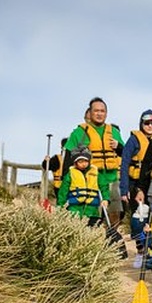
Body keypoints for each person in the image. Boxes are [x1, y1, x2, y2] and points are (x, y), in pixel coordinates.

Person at [63, 97, 125, 229]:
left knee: (114, 216)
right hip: (90, 181)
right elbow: (68, 158)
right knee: (92, 218)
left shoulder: (113, 132)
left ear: (106, 113)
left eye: (102, 111)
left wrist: (118, 146)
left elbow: (124, 154)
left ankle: (113, 242)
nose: (99, 113)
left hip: (112, 180)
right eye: (96, 111)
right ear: (90, 113)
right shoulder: (79, 133)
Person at [121, 109, 152, 268]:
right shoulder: (134, 140)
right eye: (147, 123)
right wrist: (124, 189)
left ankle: (151, 252)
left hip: (151, 183)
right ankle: (140, 249)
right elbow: (124, 164)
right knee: (138, 219)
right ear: (141, 124)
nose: (150, 126)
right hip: (135, 183)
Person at [57, 146, 107, 227]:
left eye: (86, 161)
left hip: (92, 210)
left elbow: (104, 187)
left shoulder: (96, 173)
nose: (84, 164)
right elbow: (63, 192)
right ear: (75, 162)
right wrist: (60, 207)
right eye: (80, 162)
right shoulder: (70, 174)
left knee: (93, 227)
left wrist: (105, 199)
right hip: (74, 209)